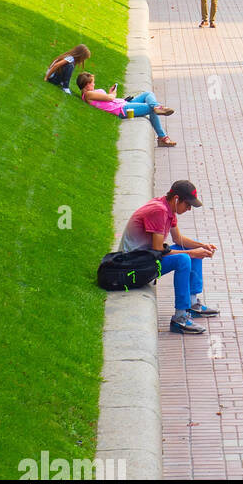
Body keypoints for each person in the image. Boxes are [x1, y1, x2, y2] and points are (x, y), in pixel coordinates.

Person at [119, 181, 217, 333]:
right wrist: (192, 253)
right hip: (134, 267)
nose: (189, 208)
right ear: (177, 199)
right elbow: (158, 249)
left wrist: (202, 246)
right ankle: (180, 318)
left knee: (194, 250)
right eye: (188, 204)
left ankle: (192, 303)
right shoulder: (160, 211)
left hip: (146, 258)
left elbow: (178, 239)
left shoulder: (167, 207)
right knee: (185, 258)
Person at [77, 72, 176, 146]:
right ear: (87, 84)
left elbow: (107, 99)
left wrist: (109, 93)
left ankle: (157, 107)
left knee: (148, 94)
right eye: (92, 83)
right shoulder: (88, 94)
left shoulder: (90, 93)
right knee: (151, 108)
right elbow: (110, 98)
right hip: (121, 109)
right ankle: (162, 136)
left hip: (123, 103)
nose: (94, 85)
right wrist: (113, 92)